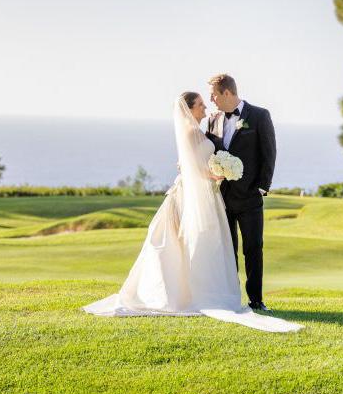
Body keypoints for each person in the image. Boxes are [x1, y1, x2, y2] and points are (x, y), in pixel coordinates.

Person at [82, 92, 301, 333]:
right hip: (199, 194)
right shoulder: (194, 129)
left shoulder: (208, 127)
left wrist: (248, 181)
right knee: (195, 244)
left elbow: (262, 152)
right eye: (201, 104)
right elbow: (191, 165)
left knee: (237, 246)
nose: (207, 107)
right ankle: (195, 292)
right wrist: (216, 173)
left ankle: (246, 297)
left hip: (223, 196)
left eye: (209, 101)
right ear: (189, 109)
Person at [206, 73, 275, 311]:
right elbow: (209, 154)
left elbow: (269, 153)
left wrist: (261, 188)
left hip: (250, 197)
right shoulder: (213, 119)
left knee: (253, 248)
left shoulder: (259, 116)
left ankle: (256, 300)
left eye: (213, 95)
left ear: (227, 93)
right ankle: (231, 298)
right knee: (228, 250)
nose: (211, 100)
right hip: (222, 197)